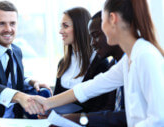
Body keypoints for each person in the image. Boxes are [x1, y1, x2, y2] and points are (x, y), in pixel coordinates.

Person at [30, 0, 164, 126]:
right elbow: (91, 87)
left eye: (103, 21)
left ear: (112, 19)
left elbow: (159, 120)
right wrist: (47, 103)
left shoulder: (146, 56)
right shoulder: (128, 59)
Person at [62, 11, 127, 127]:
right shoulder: (115, 65)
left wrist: (80, 119)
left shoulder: (138, 60)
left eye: (96, 35)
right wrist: (47, 104)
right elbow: (89, 89)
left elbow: (126, 116)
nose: (92, 43)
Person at [54, 7, 116, 113]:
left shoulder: (101, 63)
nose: (60, 31)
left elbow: (102, 107)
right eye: (61, 26)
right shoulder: (63, 63)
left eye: (65, 26)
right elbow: (56, 99)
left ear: (80, 28)